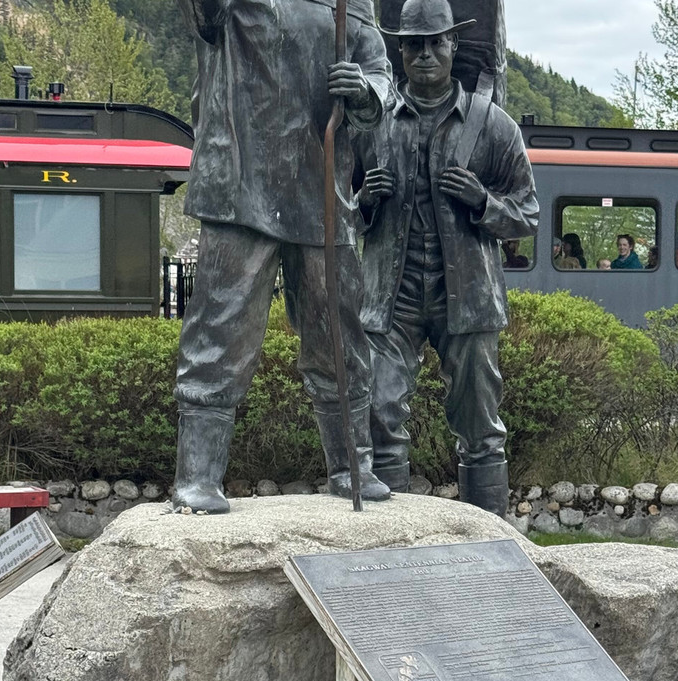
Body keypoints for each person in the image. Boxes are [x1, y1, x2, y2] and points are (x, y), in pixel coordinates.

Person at [171, 0, 395, 513]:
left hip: (320, 193)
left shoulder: (352, 4)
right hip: (240, 187)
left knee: (338, 331)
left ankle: (351, 464)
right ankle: (197, 476)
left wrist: (364, 92)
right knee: (221, 329)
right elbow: (205, 16)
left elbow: (383, 77)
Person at [352, 0, 538, 515]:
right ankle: (391, 544)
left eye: (436, 42)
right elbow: (335, 219)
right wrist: (364, 199)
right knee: (379, 416)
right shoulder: (372, 125)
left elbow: (527, 217)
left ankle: (489, 541)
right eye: (414, 44)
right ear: (400, 51)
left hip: (470, 300)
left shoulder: (495, 126)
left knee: (480, 425)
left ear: (454, 46)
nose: (426, 54)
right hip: (391, 300)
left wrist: (483, 201)